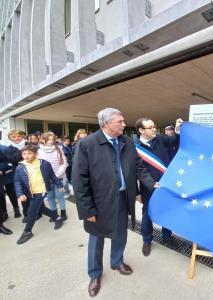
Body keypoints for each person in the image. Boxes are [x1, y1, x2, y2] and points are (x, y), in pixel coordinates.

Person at [72, 108, 156, 297]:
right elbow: (79, 179)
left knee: (120, 232)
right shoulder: (87, 144)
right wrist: (87, 209)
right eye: (120, 121)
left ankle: (117, 261)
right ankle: (95, 274)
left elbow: (138, 167)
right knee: (97, 237)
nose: (124, 124)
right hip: (98, 202)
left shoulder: (127, 141)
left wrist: (152, 185)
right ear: (106, 124)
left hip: (123, 197)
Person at [135, 117, 182, 256]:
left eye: (154, 126)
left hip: (166, 185)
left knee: (167, 211)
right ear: (141, 130)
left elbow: (175, 140)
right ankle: (147, 240)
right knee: (147, 214)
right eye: (150, 127)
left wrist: (178, 128)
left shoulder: (160, 139)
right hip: (148, 188)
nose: (154, 129)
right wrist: (137, 192)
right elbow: (135, 171)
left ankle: (167, 237)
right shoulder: (134, 147)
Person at [14, 145, 64, 244]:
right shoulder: (20, 167)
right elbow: (17, 182)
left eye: (29, 153)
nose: (26, 156)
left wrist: (59, 184)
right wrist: (19, 194)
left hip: (42, 190)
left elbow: (52, 176)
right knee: (41, 208)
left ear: (36, 154)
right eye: (24, 154)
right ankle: (57, 218)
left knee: (32, 211)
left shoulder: (44, 164)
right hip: (30, 192)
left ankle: (27, 231)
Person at [38, 132, 68, 221]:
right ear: (43, 140)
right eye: (48, 139)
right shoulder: (39, 151)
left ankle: (63, 212)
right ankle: (54, 213)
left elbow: (64, 163)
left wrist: (57, 175)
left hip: (59, 177)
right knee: (50, 196)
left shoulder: (59, 149)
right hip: (47, 179)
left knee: (60, 195)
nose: (51, 141)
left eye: (52, 139)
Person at [0, 144, 22, 235]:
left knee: (11, 192)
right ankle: (4, 214)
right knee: (1, 197)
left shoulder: (4, 148)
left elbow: (12, 160)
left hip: (8, 174)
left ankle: (16, 209)